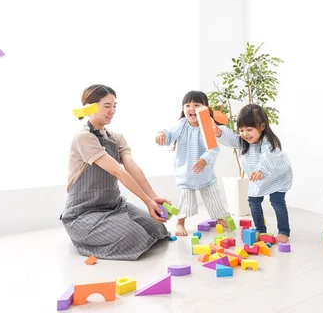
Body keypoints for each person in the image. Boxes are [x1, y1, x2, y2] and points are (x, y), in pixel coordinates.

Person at [61, 84, 170, 261]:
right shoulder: (84, 137)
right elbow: (118, 171)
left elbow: (132, 168)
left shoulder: (116, 137)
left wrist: (153, 197)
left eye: (114, 106)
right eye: (107, 106)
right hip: (84, 213)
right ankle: (83, 238)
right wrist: (146, 201)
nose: (112, 111)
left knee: (157, 229)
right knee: (134, 236)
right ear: (89, 107)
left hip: (114, 206)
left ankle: (114, 225)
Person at [214, 104, 292, 243]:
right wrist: (218, 132)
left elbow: (269, 157)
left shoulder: (269, 143)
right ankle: (260, 230)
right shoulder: (243, 142)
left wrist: (262, 170)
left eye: (249, 129)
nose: (245, 134)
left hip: (277, 176)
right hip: (258, 177)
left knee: (277, 201)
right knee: (253, 201)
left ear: (262, 127)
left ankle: (284, 231)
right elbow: (231, 138)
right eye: (241, 130)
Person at [156, 90, 230, 237]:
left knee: (213, 198)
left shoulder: (207, 127)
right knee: (186, 201)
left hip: (205, 174)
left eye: (196, 105)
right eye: (187, 105)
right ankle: (180, 222)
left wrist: (204, 159)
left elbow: (213, 149)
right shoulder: (182, 124)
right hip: (187, 173)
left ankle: (221, 218)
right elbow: (170, 134)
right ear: (183, 109)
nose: (191, 108)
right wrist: (162, 134)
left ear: (205, 109)